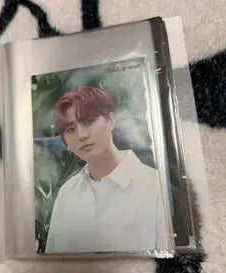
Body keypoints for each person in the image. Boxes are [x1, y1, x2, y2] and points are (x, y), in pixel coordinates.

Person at [44, 85, 170, 254]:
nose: (81, 135)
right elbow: (53, 262)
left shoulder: (154, 185)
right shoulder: (67, 193)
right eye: (70, 129)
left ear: (111, 120)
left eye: (88, 122)